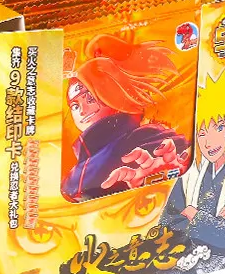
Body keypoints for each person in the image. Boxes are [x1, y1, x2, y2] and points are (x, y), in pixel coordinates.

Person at [61, 35, 189, 202]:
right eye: (75, 105)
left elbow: (179, 157)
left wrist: (170, 171)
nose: (82, 110)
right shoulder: (82, 164)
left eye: (90, 98)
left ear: (111, 94)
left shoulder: (146, 139)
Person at [162, 69, 225, 254]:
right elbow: (166, 226)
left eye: (220, 127)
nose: (209, 142)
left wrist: (193, 214)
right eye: (201, 133)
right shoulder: (191, 170)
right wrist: (214, 224)